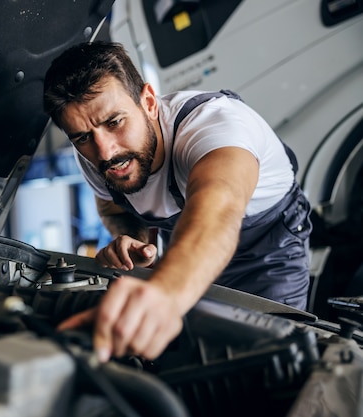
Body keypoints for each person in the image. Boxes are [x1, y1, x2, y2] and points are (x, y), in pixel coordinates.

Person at [42, 41, 312, 363]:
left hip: (266, 255)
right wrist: (136, 242)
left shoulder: (216, 126)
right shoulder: (92, 152)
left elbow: (217, 211)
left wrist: (167, 295)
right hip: (184, 258)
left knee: (268, 365)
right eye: (83, 137)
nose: (106, 152)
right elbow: (112, 206)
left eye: (115, 122)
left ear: (149, 102)